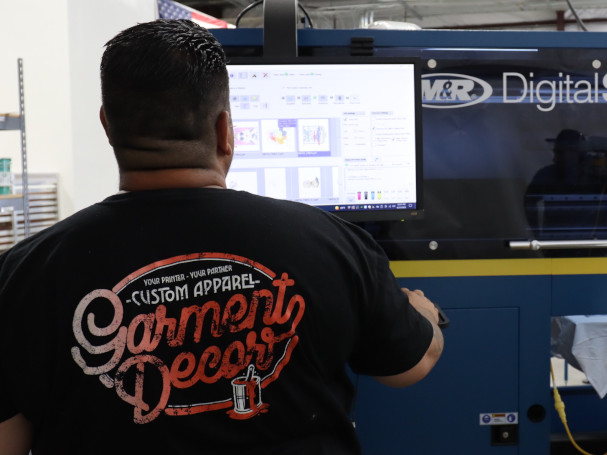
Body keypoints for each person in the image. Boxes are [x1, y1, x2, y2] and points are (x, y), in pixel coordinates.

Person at [0, 19, 443, 454]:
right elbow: (406, 367)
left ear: (108, 126)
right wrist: (422, 315)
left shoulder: (24, 272)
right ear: (225, 131)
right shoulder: (334, 244)